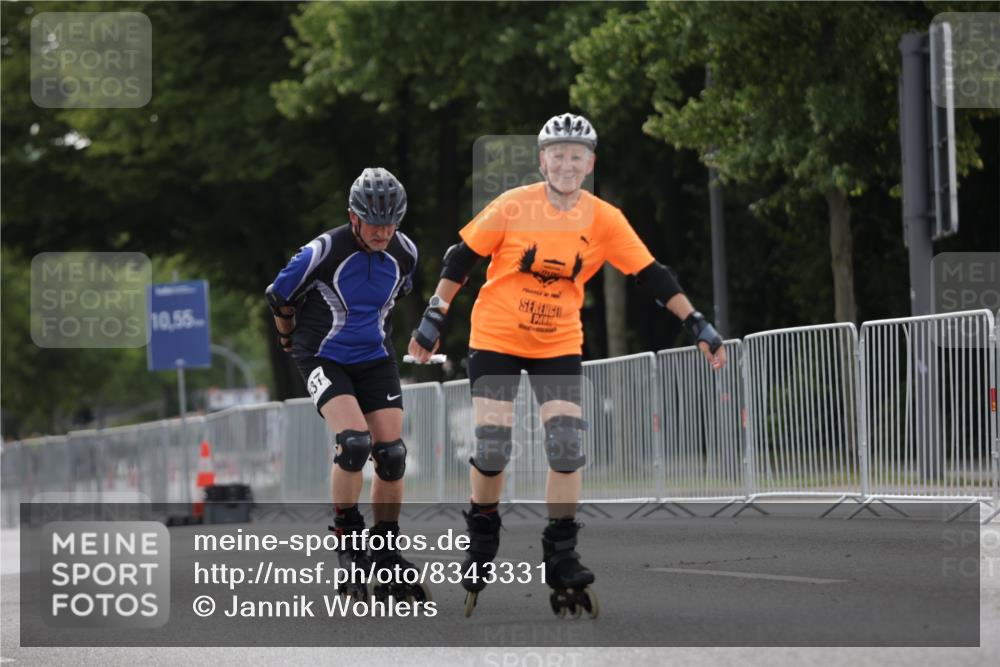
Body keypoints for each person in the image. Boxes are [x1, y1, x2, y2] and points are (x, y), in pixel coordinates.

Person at [408, 113, 726, 617]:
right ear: (542, 160)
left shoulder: (604, 218)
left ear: (590, 163)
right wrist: (434, 315)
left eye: (577, 155)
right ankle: (483, 533)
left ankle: (561, 553)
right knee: (492, 446)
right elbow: (460, 257)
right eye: (557, 154)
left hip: (558, 339)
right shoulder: (514, 205)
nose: (566, 162)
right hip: (497, 336)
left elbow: (653, 275)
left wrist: (698, 325)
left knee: (566, 444)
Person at [266, 167, 426, 602]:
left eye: (392, 222)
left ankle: (386, 551)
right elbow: (279, 294)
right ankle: (349, 541)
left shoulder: (405, 252)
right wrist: (286, 336)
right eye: (374, 223)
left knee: (391, 455)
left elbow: (395, 299)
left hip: (375, 359)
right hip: (322, 356)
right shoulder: (324, 250)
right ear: (353, 217)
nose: (383, 231)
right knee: (354, 443)